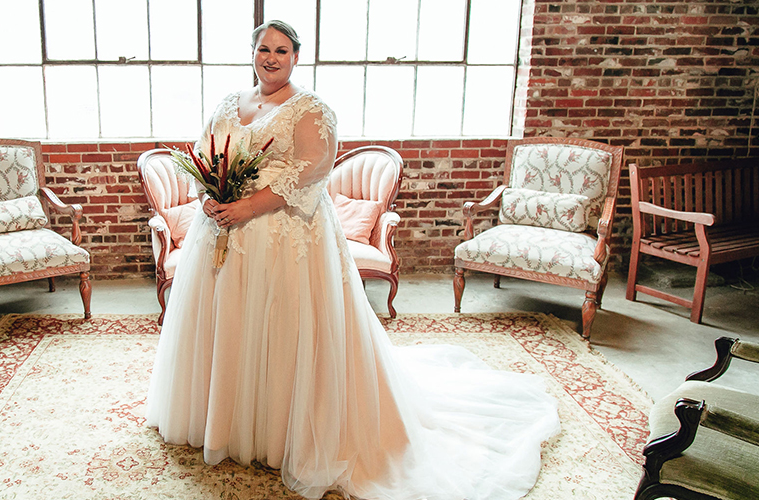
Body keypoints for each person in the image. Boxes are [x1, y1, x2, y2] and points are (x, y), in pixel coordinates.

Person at [146, 20, 560, 500]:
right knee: (230, 321)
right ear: (252, 53)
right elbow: (204, 155)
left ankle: (281, 431)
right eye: (264, 49)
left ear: (296, 57)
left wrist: (244, 207)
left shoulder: (311, 109)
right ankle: (225, 419)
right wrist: (209, 199)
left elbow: (308, 174)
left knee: (284, 325)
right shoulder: (227, 103)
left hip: (284, 238)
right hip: (221, 234)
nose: (271, 58)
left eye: (282, 50)